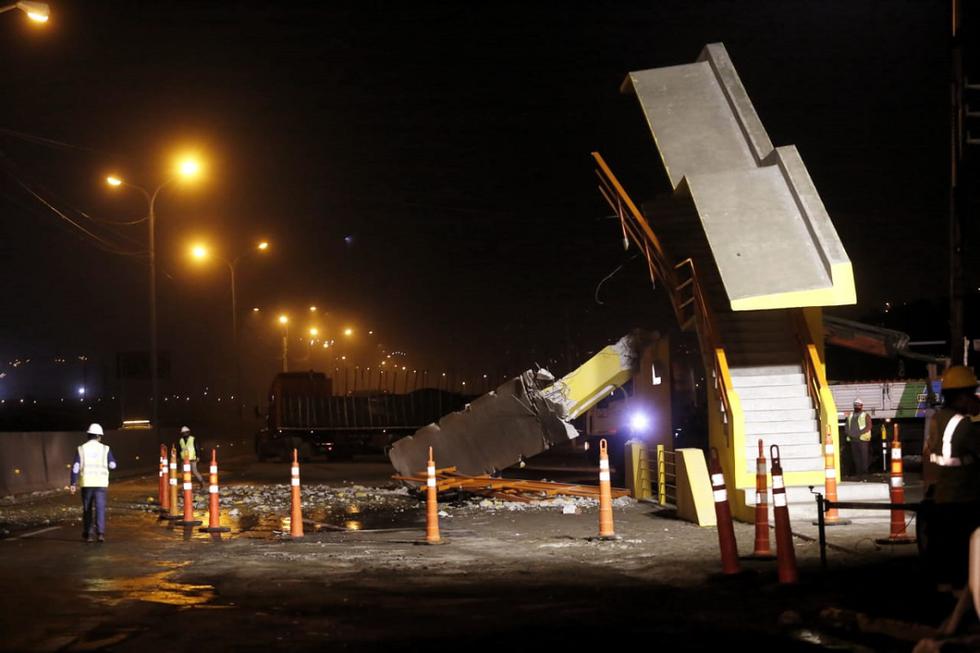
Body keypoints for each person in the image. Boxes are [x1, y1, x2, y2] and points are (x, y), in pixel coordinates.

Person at [921, 365, 980, 588]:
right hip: (964, 495)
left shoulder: (938, 417)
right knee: (964, 550)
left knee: (945, 548)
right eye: (972, 394)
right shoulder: (963, 424)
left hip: (943, 493)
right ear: (963, 396)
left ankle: (945, 588)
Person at [70, 423, 117, 543]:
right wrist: (110, 465)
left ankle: (88, 534)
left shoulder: (81, 448)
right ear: (99, 436)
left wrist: (73, 483)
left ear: (88, 435)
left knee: (87, 509)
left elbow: (75, 467)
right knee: (100, 508)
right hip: (101, 483)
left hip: (87, 483)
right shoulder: (105, 448)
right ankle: (100, 534)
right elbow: (113, 465)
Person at [846, 399, 872, 475]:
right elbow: (847, 425)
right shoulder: (850, 415)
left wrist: (859, 433)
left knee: (864, 457)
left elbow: (869, 426)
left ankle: (865, 473)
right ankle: (858, 473)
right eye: (855, 405)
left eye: (858, 405)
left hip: (862, 439)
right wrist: (849, 433)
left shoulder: (865, 415)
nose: (857, 406)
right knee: (856, 458)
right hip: (853, 439)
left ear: (861, 406)